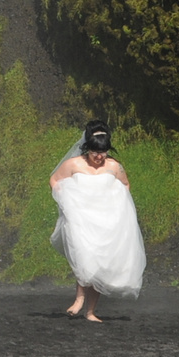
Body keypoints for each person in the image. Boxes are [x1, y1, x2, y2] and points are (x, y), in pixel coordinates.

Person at [48, 120, 146, 321]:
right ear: (87, 149)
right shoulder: (74, 164)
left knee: (100, 263)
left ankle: (91, 311)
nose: (100, 157)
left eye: (103, 152)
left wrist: (117, 207)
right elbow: (55, 179)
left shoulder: (113, 166)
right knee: (85, 256)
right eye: (95, 153)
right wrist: (63, 195)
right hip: (81, 219)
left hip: (106, 220)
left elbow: (125, 186)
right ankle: (79, 300)